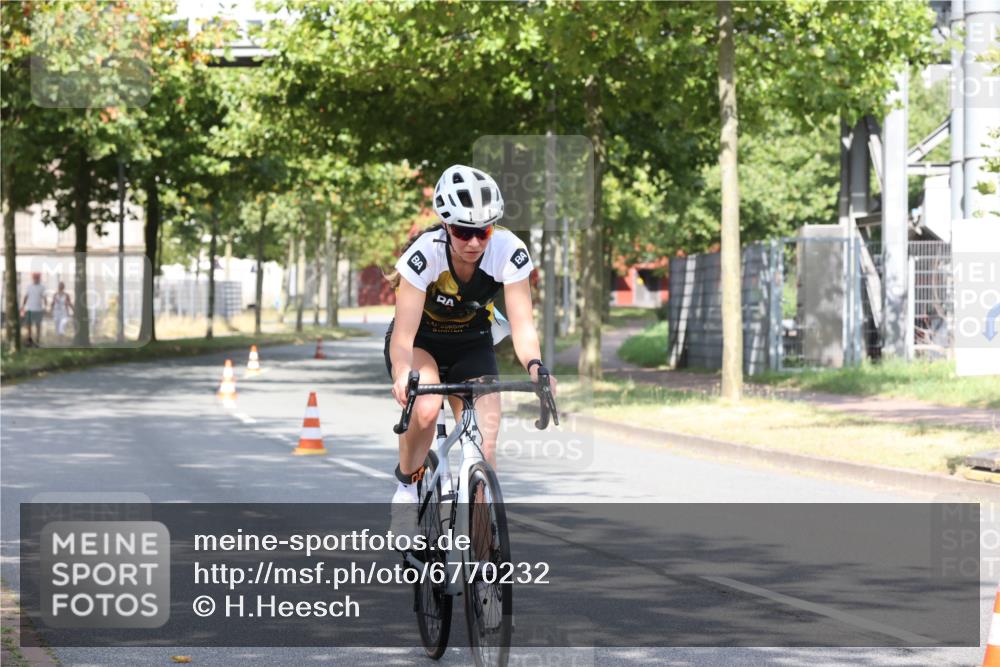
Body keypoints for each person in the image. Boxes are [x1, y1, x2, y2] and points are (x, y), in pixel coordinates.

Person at [384, 164, 557, 534]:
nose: (475, 242)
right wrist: (402, 374)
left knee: (485, 448)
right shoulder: (424, 254)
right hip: (421, 342)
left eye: (482, 231)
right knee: (427, 408)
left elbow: (523, 324)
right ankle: (405, 485)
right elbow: (402, 335)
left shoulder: (509, 251)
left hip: (472, 343)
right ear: (446, 225)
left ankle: (480, 566)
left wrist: (536, 368)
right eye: (464, 231)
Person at [20, 273, 46, 347]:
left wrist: (45, 307)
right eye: (34, 277)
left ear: (39, 278)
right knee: (29, 325)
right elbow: (26, 297)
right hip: (30, 309)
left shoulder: (42, 287)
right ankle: (29, 340)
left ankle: (37, 341)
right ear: (32, 278)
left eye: (37, 277)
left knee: (38, 325)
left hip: (38, 309)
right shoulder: (29, 287)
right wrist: (23, 306)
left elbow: (44, 298)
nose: (36, 279)